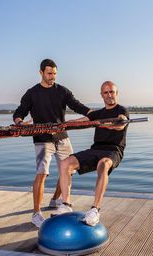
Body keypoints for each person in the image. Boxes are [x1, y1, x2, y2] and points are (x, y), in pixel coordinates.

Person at [13, 59, 91, 227]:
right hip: (42, 139)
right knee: (42, 174)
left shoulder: (62, 91)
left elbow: (77, 106)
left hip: (62, 137)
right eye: (49, 73)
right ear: (41, 72)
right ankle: (36, 213)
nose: (52, 77)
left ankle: (56, 200)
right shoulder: (32, 93)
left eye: (55, 73)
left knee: (68, 171)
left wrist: (92, 113)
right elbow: (20, 112)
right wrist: (20, 122)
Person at [51, 81, 129, 226]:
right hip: (95, 149)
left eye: (111, 92)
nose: (109, 95)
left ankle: (95, 210)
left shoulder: (122, 111)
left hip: (113, 150)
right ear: (101, 95)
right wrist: (62, 125)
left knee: (103, 164)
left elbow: (121, 124)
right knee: (65, 163)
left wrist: (110, 124)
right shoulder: (98, 114)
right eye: (106, 93)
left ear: (116, 93)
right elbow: (80, 121)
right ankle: (66, 204)